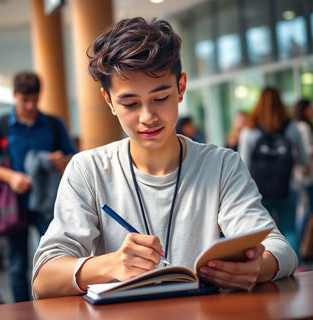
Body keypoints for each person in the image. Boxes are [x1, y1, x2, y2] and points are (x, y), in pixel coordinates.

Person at [32, 17, 297, 300]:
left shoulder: (221, 166)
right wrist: (109, 264)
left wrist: (260, 267)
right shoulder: (89, 171)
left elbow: (281, 249)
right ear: (108, 100)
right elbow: (43, 279)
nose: (148, 117)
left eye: (160, 98)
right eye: (130, 103)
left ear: (181, 88)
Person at [0, 71, 77, 302]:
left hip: (47, 203)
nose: (30, 105)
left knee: (53, 259)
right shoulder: (0, 126)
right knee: (18, 264)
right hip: (14, 204)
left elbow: (74, 157)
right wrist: (11, 177)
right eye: (25, 100)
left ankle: (56, 308)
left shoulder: (52, 123)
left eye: (34, 100)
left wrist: (63, 160)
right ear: (14, 95)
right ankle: (21, 312)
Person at [239, 87, 308, 260]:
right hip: (287, 187)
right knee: (289, 230)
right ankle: (295, 267)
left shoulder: (250, 130)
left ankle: (266, 267)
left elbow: (243, 164)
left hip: (259, 191)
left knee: (263, 234)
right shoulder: (291, 128)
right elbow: (303, 160)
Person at [292, 99, 313, 267]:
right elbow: (305, 154)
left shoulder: (294, 126)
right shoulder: (303, 127)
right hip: (306, 178)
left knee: (303, 214)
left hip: (298, 178)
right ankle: (300, 257)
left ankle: (300, 256)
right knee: (305, 214)